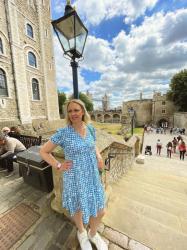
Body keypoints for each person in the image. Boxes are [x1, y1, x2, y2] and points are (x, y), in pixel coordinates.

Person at [40, 99, 107, 250]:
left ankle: (93, 233)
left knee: (101, 210)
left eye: (76, 110)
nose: (73, 114)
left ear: (83, 111)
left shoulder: (90, 128)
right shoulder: (63, 133)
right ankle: (82, 232)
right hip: (74, 175)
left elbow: (93, 144)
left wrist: (99, 156)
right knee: (77, 206)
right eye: (70, 111)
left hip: (91, 174)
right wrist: (58, 165)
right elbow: (44, 151)